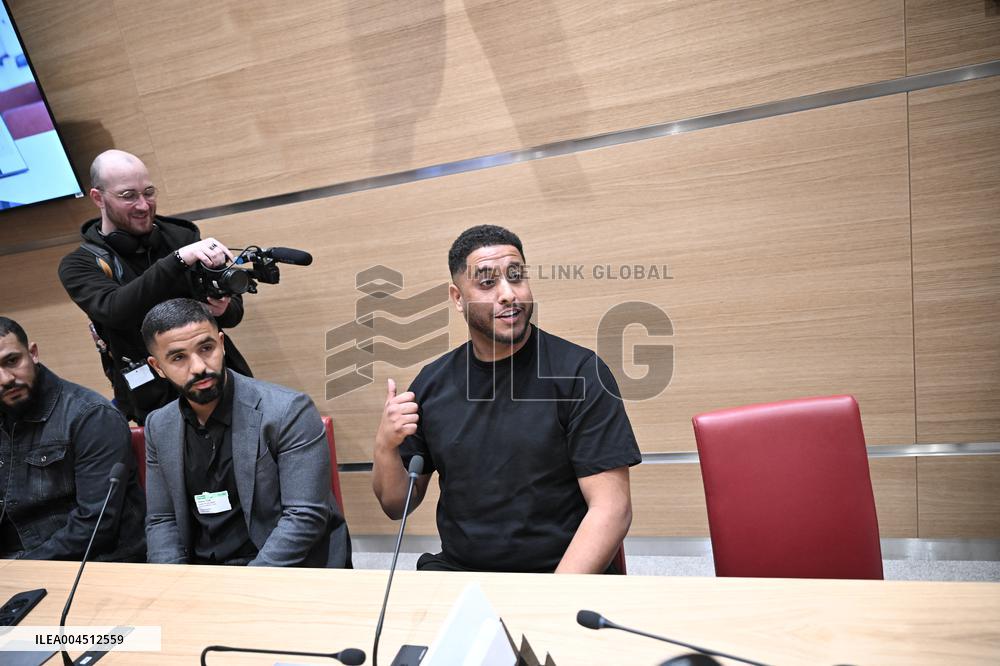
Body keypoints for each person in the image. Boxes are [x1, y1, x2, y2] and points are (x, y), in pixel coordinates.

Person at [372, 225, 641, 573]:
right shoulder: (432, 383)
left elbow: (612, 509)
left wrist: (551, 596)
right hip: (461, 574)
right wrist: (385, 445)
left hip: (557, 574)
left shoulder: (580, 373)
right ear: (457, 298)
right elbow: (396, 505)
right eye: (487, 283)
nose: (508, 294)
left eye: (516, 277)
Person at [141, 299, 350, 567]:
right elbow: (162, 519)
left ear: (222, 344)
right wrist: (172, 580)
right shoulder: (159, 425)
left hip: (282, 567)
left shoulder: (287, 411)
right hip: (202, 571)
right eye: (178, 357)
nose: (199, 367)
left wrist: (248, 582)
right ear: (157, 367)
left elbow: (304, 517)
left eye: (206, 348)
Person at [58, 149, 252, 424]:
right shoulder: (79, 264)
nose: (143, 205)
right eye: (128, 196)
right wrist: (177, 260)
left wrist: (222, 308)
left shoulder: (181, 236)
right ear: (98, 198)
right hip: (153, 399)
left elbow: (234, 314)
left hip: (220, 382)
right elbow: (116, 310)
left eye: (148, 192)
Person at [0, 317, 145, 561]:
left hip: (88, 563)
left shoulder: (91, 415)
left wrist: (20, 568)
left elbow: (95, 524)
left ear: (33, 353)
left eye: (12, 361)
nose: (5, 379)